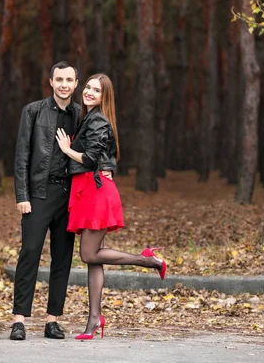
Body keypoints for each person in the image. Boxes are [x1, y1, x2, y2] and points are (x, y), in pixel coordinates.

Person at [55, 73, 167, 340]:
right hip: (89, 190)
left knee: (88, 255)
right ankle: (94, 319)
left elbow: (92, 158)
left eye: (97, 90)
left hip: (96, 192)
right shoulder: (89, 118)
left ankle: (147, 260)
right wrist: (108, 167)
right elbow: (107, 155)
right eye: (88, 87)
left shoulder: (99, 121)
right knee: (94, 258)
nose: (89, 92)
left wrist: (66, 148)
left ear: (105, 97)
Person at [10, 62, 112, 341]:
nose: (64, 84)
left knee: (63, 258)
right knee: (29, 253)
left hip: (70, 198)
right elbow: (22, 156)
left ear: (75, 83)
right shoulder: (32, 111)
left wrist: (108, 166)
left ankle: (52, 319)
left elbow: (101, 145)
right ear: (51, 82)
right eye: (59, 79)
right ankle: (19, 320)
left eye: (69, 80)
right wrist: (22, 196)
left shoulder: (83, 115)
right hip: (38, 195)